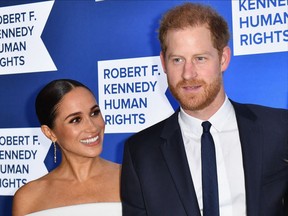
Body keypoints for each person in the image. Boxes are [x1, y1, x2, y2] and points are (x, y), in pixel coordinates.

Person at [121, 2, 288, 216]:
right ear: (163, 63)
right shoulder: (140, 152)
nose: (188, 74)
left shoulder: (278, 128)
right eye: (177, 60)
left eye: (200, 58)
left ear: (223, 59)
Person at [12, 79, 121, 216]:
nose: (93, 127)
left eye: (94, 113)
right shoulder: (28, 197)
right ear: (49, 132)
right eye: (75, 120)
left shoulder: (133, 179)